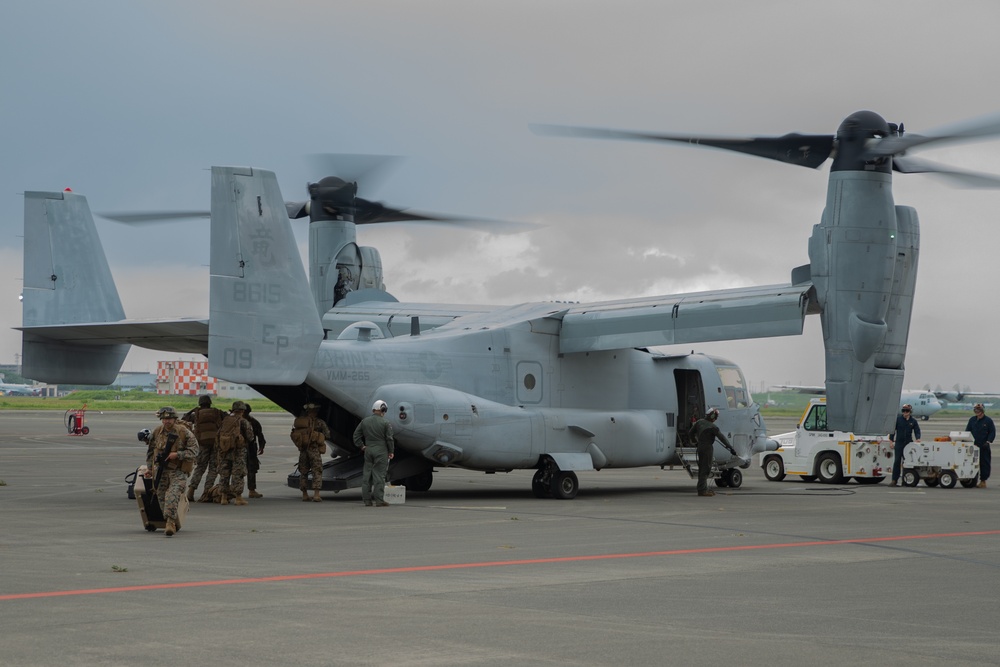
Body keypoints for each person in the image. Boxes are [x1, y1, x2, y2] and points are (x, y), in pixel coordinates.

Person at [144, 406, 199, 537]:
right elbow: (151, 452)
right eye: (164, 419)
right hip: (161, 471)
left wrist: (178, 455)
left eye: (169, 419)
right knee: (161, 496)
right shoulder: (157, 432)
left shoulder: (183, 432)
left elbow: (195, 450)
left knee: (172, 495)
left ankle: (170, 523)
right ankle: (171, 520)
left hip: (178, 470)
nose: (167, 421)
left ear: (175, 419)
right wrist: (150, 469)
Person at [181, 395, 226, 502]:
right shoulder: (217, 412)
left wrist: (192, 411)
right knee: (213, 468)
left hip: (201, 443)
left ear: (200, 403)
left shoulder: (195, 414)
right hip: (215, 443)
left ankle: (191, 491)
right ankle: (207, 493)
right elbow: (228, 418)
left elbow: (183, 420)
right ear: (210, 402)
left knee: (200, 467)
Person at [353, 399, 395, 506]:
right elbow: (389, 439)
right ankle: (379, 500)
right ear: (383, 409)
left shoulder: (365, 421)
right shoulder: (386, 423)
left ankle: (367, 500)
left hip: (368, 450)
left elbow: (356, 436)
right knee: (379, 476)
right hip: (381, 451)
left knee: (367, 476)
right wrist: (391, 451)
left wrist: (362, 446)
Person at [215, 401, 256, 506]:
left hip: (224, 451)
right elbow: (250, 437)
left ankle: (223, 498)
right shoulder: (243, 421)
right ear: (242, 410)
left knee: (224, 473)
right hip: (238, 451)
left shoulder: (226, 421)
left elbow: (218, 435)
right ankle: (238, 498)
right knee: (238, 474)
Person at [688, 407, 730, 497]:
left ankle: (703, 488)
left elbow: (690, 433)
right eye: (716, 417)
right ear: (712, 416)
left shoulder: (699, 422)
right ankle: (702, 490)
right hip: (707, 448)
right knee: (706, 469)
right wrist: (731, 448)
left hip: (700, 447)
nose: (715, 419)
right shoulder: (713, 427)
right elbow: (722, 438)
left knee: (702, 468)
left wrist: (695, 441)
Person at [292, 402, 330, 502]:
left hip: (303, 450)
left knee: (303, 472)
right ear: (316, 411)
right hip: (314, 450)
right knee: (316, 471)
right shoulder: (319, 422)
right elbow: (328, 434)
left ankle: (304, 494)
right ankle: (316, 495)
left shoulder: (301, 422)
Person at [889, 404, 921, 487]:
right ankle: (894, 480)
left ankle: (905, 480)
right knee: (897, 461)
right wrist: (891, 441)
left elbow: (917, 430)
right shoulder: (898, 420)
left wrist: (918, 438)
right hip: (899, 443)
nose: (905, 413)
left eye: (907, 411)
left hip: (908, 444)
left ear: (910, 412)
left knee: (907, 462)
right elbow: (892, 431)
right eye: (904, 411)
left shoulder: (913, 421)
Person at [966, 403, 995, 488]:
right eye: (975, 410)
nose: (977, 411)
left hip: (983, 446)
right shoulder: (972, 420)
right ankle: (971, 480)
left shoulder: (988, 421)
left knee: (984, 464)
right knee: (971, 463)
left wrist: (988, 441)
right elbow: (967, 431)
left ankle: (983, 481)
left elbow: (992, 432)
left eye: (978, 410)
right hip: (973, 446)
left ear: (982, 411)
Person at [244, 404, 266, 499]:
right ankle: (251, 490)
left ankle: (232, 491)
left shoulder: (233, 421)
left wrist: (261, 446)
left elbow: (260, 436)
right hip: (250, 449)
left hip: (246, 449)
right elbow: (260, 436)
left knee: (237, 470)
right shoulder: (253, 421)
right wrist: (261, 447)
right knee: (251, 470)